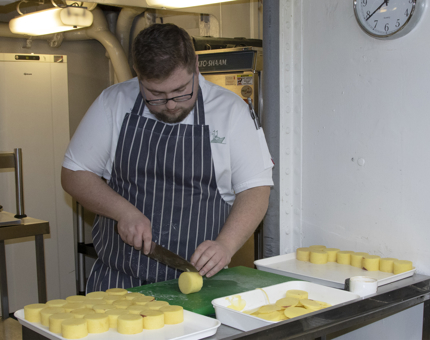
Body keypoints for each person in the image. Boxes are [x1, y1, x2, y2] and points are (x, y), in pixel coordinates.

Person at [61, 23, 273, 292]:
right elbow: (74, 173)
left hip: (198, 285)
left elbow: (256, 189)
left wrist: (225, 245)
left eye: (181, 91)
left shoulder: (231, 112)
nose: (171, 104)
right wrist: (123, 212)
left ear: (196, 65)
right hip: (119, 283)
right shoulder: (113, 103)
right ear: (138, 76)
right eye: (156, 95)